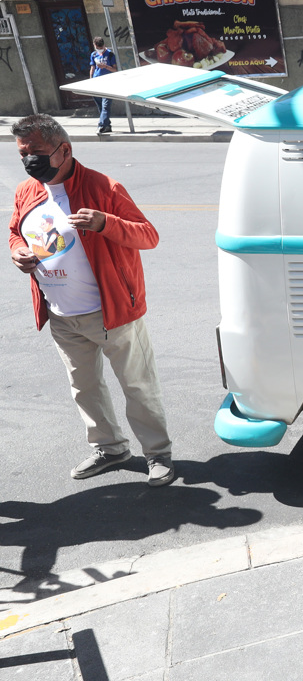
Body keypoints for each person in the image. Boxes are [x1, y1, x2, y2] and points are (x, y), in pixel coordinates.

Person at [8, 114, 175, 486]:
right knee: (84, 388)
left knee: (138, 386)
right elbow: (16, 231)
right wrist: (18, 251)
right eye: (22, 154)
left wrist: (105, 223)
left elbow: (148, 236)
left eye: (36, 152)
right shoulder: (26, 191)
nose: (29, 160)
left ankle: (158, 453)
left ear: (64, 151)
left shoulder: (104, 187)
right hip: (61, 314)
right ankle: (110, 448)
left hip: (111, 312)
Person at [88, 37, 118, 135]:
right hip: (96, 83)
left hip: (108, 83)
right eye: (97, 47)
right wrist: (90, 79)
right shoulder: (94, 54)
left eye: (100, 47)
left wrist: (105, 66)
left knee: (105, 106)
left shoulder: (110, 54)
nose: (99, 49)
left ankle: (101, 125)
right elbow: (92, 68)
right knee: (101, 106)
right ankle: (107, 126)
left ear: (104, 45)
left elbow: (115, 70)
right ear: (94, 46)